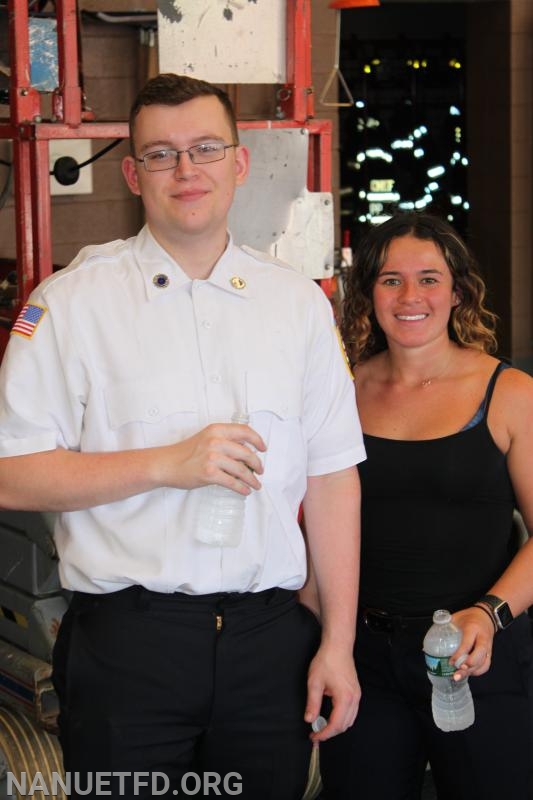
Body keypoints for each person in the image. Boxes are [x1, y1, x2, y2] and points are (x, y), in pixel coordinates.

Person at [0, 73, 366, 799]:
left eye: (204, 148)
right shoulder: (72, 303)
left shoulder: (295, 304)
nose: (185, 170)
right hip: (129, 648)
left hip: (270, 644)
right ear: (133, 174)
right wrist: (167, 464)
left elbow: (331, 479)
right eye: (161, 155)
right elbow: (12, 473)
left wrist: (337, 643)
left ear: (239, 163)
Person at [316, 212, 533, 800]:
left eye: (429, 279)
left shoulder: (508, 394)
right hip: (360, 656)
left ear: (458, 290)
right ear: (369, 293)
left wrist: (487, 613)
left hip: (474, 655)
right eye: (390, 280)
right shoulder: (339, 393)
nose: (410, 296)